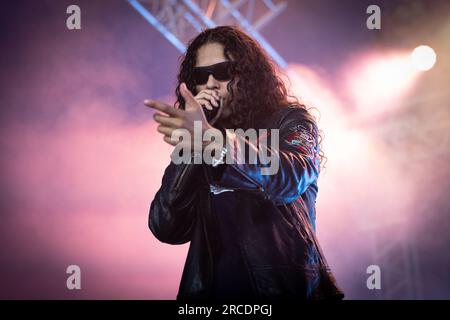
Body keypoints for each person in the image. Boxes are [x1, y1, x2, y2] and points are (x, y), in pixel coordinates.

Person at [144, 25, 344, 301]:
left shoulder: (291, 121)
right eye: (201, 76)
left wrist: (216, 141)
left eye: (222, 72)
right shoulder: (200, 140)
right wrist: (193, 146)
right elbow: (166, 227)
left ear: (247, 74)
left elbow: (291, 176)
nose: (211, 83)